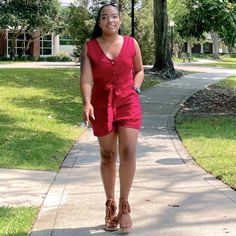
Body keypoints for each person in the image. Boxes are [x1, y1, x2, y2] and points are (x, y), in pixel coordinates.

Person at [79, 3, 144, 232]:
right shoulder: (89, 47)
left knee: (128, 151)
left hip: (128, 103)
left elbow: (140, 70)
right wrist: (87, 102)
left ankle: (125, 206)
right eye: (104, 17)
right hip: (101, 105)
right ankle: (110, 205)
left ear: (120, 20)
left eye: (114, 16)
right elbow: (86, 79)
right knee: (108, 155)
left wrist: (136, 87)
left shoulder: (131, 43)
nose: (110, 20)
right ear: (99, 22)